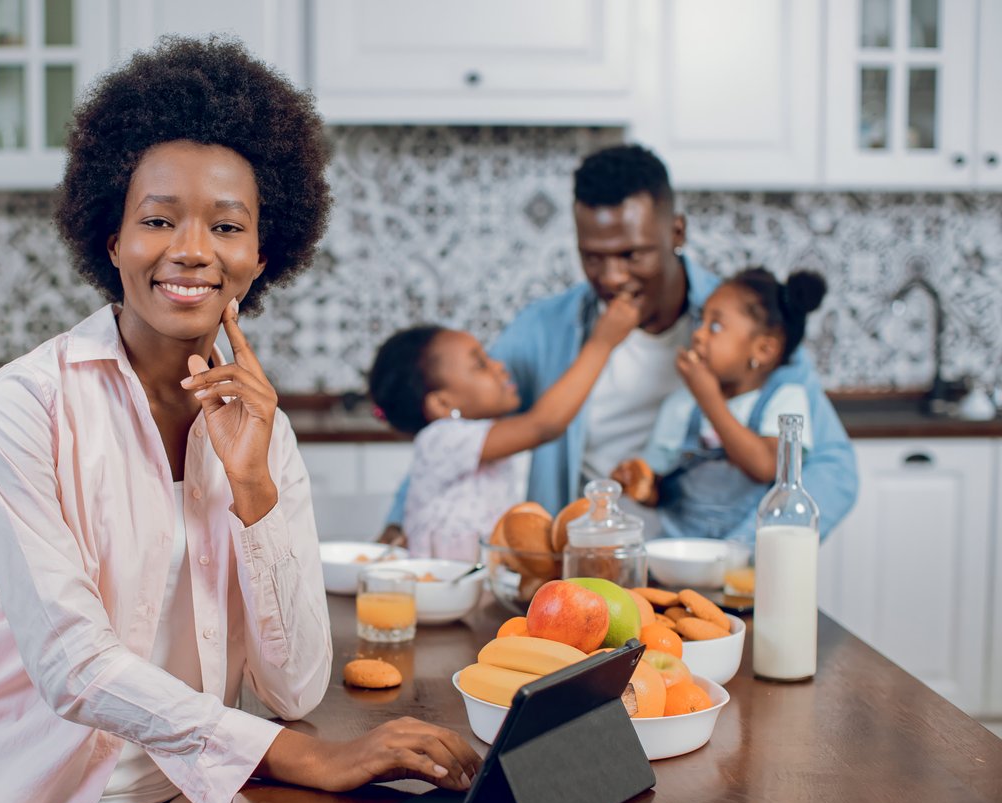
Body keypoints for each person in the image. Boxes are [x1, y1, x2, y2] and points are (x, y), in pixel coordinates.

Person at [0, 38, 479, 803]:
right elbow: (72, 666)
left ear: (259, 258)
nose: (192, 249)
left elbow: (297, 688)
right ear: (111, 239)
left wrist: (254, 485)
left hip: (186, 802)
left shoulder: (263, 430)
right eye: (158, 220)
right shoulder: (22, 407)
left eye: (226, 226)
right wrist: (293, 755)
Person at [381, 144, 856, 546]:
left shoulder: (743, 326)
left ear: (677, 233)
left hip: (705, 561)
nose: (611, 278)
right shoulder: (547, 327)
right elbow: (459, 426)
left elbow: (833, 469)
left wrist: (741, 561)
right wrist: (402, 522)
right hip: (583, 567)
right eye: (593, 257)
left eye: (632, 254)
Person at [367, 293, 639, 559]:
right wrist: (601, 343)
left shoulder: (486, 435)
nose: (499, 366)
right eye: (481, 364)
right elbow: (543, 425)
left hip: (478, 582)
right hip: (438, 589)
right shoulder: (441, 439)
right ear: (442, 402)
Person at [609, 268, 829, 539]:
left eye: (715, 326)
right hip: (679, 555)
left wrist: (708, 399)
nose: (698, 335)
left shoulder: (785, 400)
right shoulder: (680, 405)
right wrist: (638, 484)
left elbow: (765, 466)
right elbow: (659, 491)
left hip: (744, 562)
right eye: (700, 321)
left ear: (763, 349)